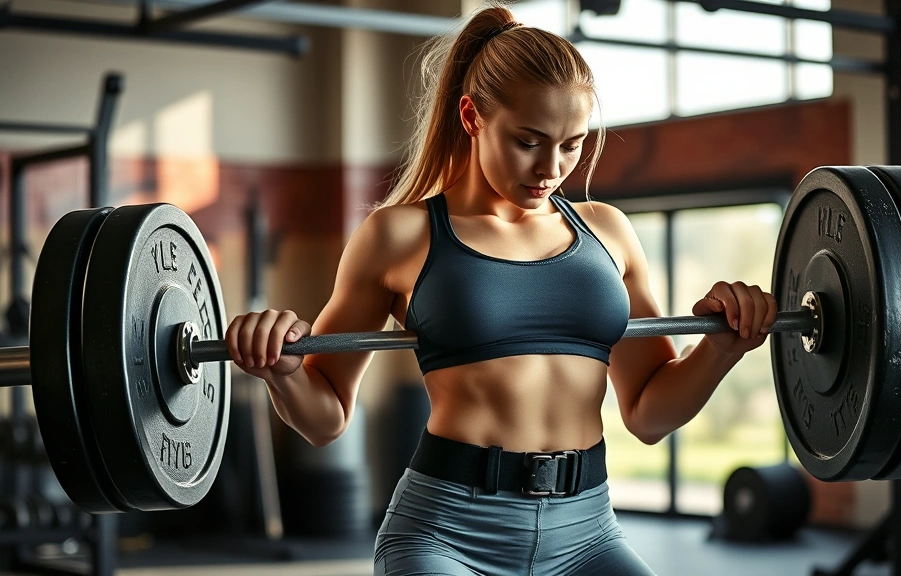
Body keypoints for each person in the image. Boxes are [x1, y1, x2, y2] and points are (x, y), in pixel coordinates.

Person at [225, 5, 776, 575]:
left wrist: (722, 348)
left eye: (572, 144)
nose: (551, 168)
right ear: (471, 116)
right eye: (529, 141)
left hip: (587, 535)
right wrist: (283, 371)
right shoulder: (399, 234)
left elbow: (648, 414)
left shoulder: (607, 230)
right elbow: (326, 419)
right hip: (445, 533)